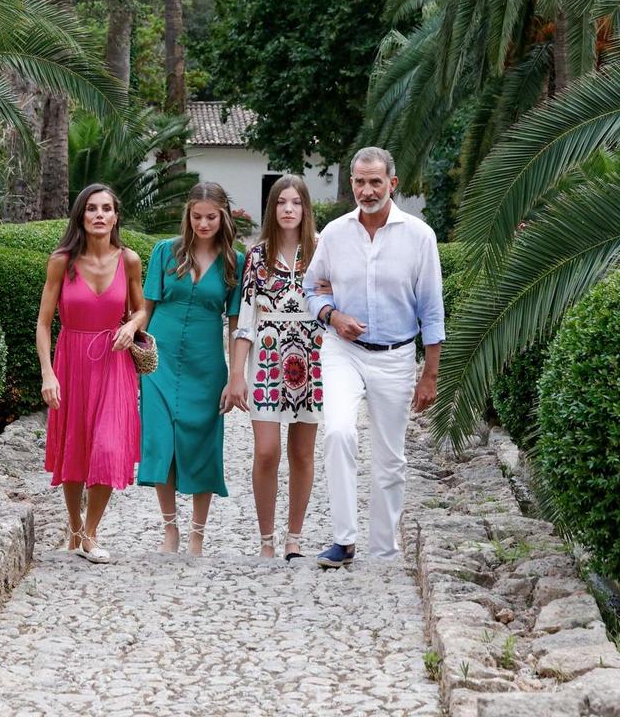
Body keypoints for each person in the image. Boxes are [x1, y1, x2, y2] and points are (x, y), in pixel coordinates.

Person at [303, 147, 445, 567]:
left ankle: (384, 549)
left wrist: (430, 374)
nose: (367, 190)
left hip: (396, 355)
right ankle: (343, 541)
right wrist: (333, 315)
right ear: (351, 184)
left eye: (375, 182)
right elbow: (312, 289)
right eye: (360, 182)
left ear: (392, 184)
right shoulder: (333, 234)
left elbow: (432, 310)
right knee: (339, 433)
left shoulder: (420, 237)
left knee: (390, 456)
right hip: (342, 350)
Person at [36, 183, 145, 564]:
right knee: (75, 447)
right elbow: (44, 323)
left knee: (109, 446)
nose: (99, 215)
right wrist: (48, 373)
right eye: (92, 209)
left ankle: (91, 532)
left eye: (107, 209)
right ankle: (74, 524)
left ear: (116, 216)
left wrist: (131, 327)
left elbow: (140, 307)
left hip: (114, 363)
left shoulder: (129, 259)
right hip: (72, 361)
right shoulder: (61, 261)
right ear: (81, 215)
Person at [139, 182, 244, 555]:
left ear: (223, 217)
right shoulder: (165, 252)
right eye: (196, 217)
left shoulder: (236, 261)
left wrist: (236, 376)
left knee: (202, 444)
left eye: (210, 217)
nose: (203, 223)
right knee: (161, 441)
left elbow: (236, 324)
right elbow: (145, 309)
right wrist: (137, 351)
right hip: (160, 361)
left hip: (206, 364)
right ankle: (170, 529)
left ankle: (198, 534)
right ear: (188, 216)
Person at [225, 175, 321, 560]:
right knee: (266, 451)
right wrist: (236, 374)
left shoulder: (321, 251)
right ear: (272, 208)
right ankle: (266, 538)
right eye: (281, 202)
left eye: (296, 202)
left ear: (305, 208)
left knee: (302, 453)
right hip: (267, 354)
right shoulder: (258, 256)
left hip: (312, 355)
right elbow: (245, 319)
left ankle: (293, 537)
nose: (288, 209)